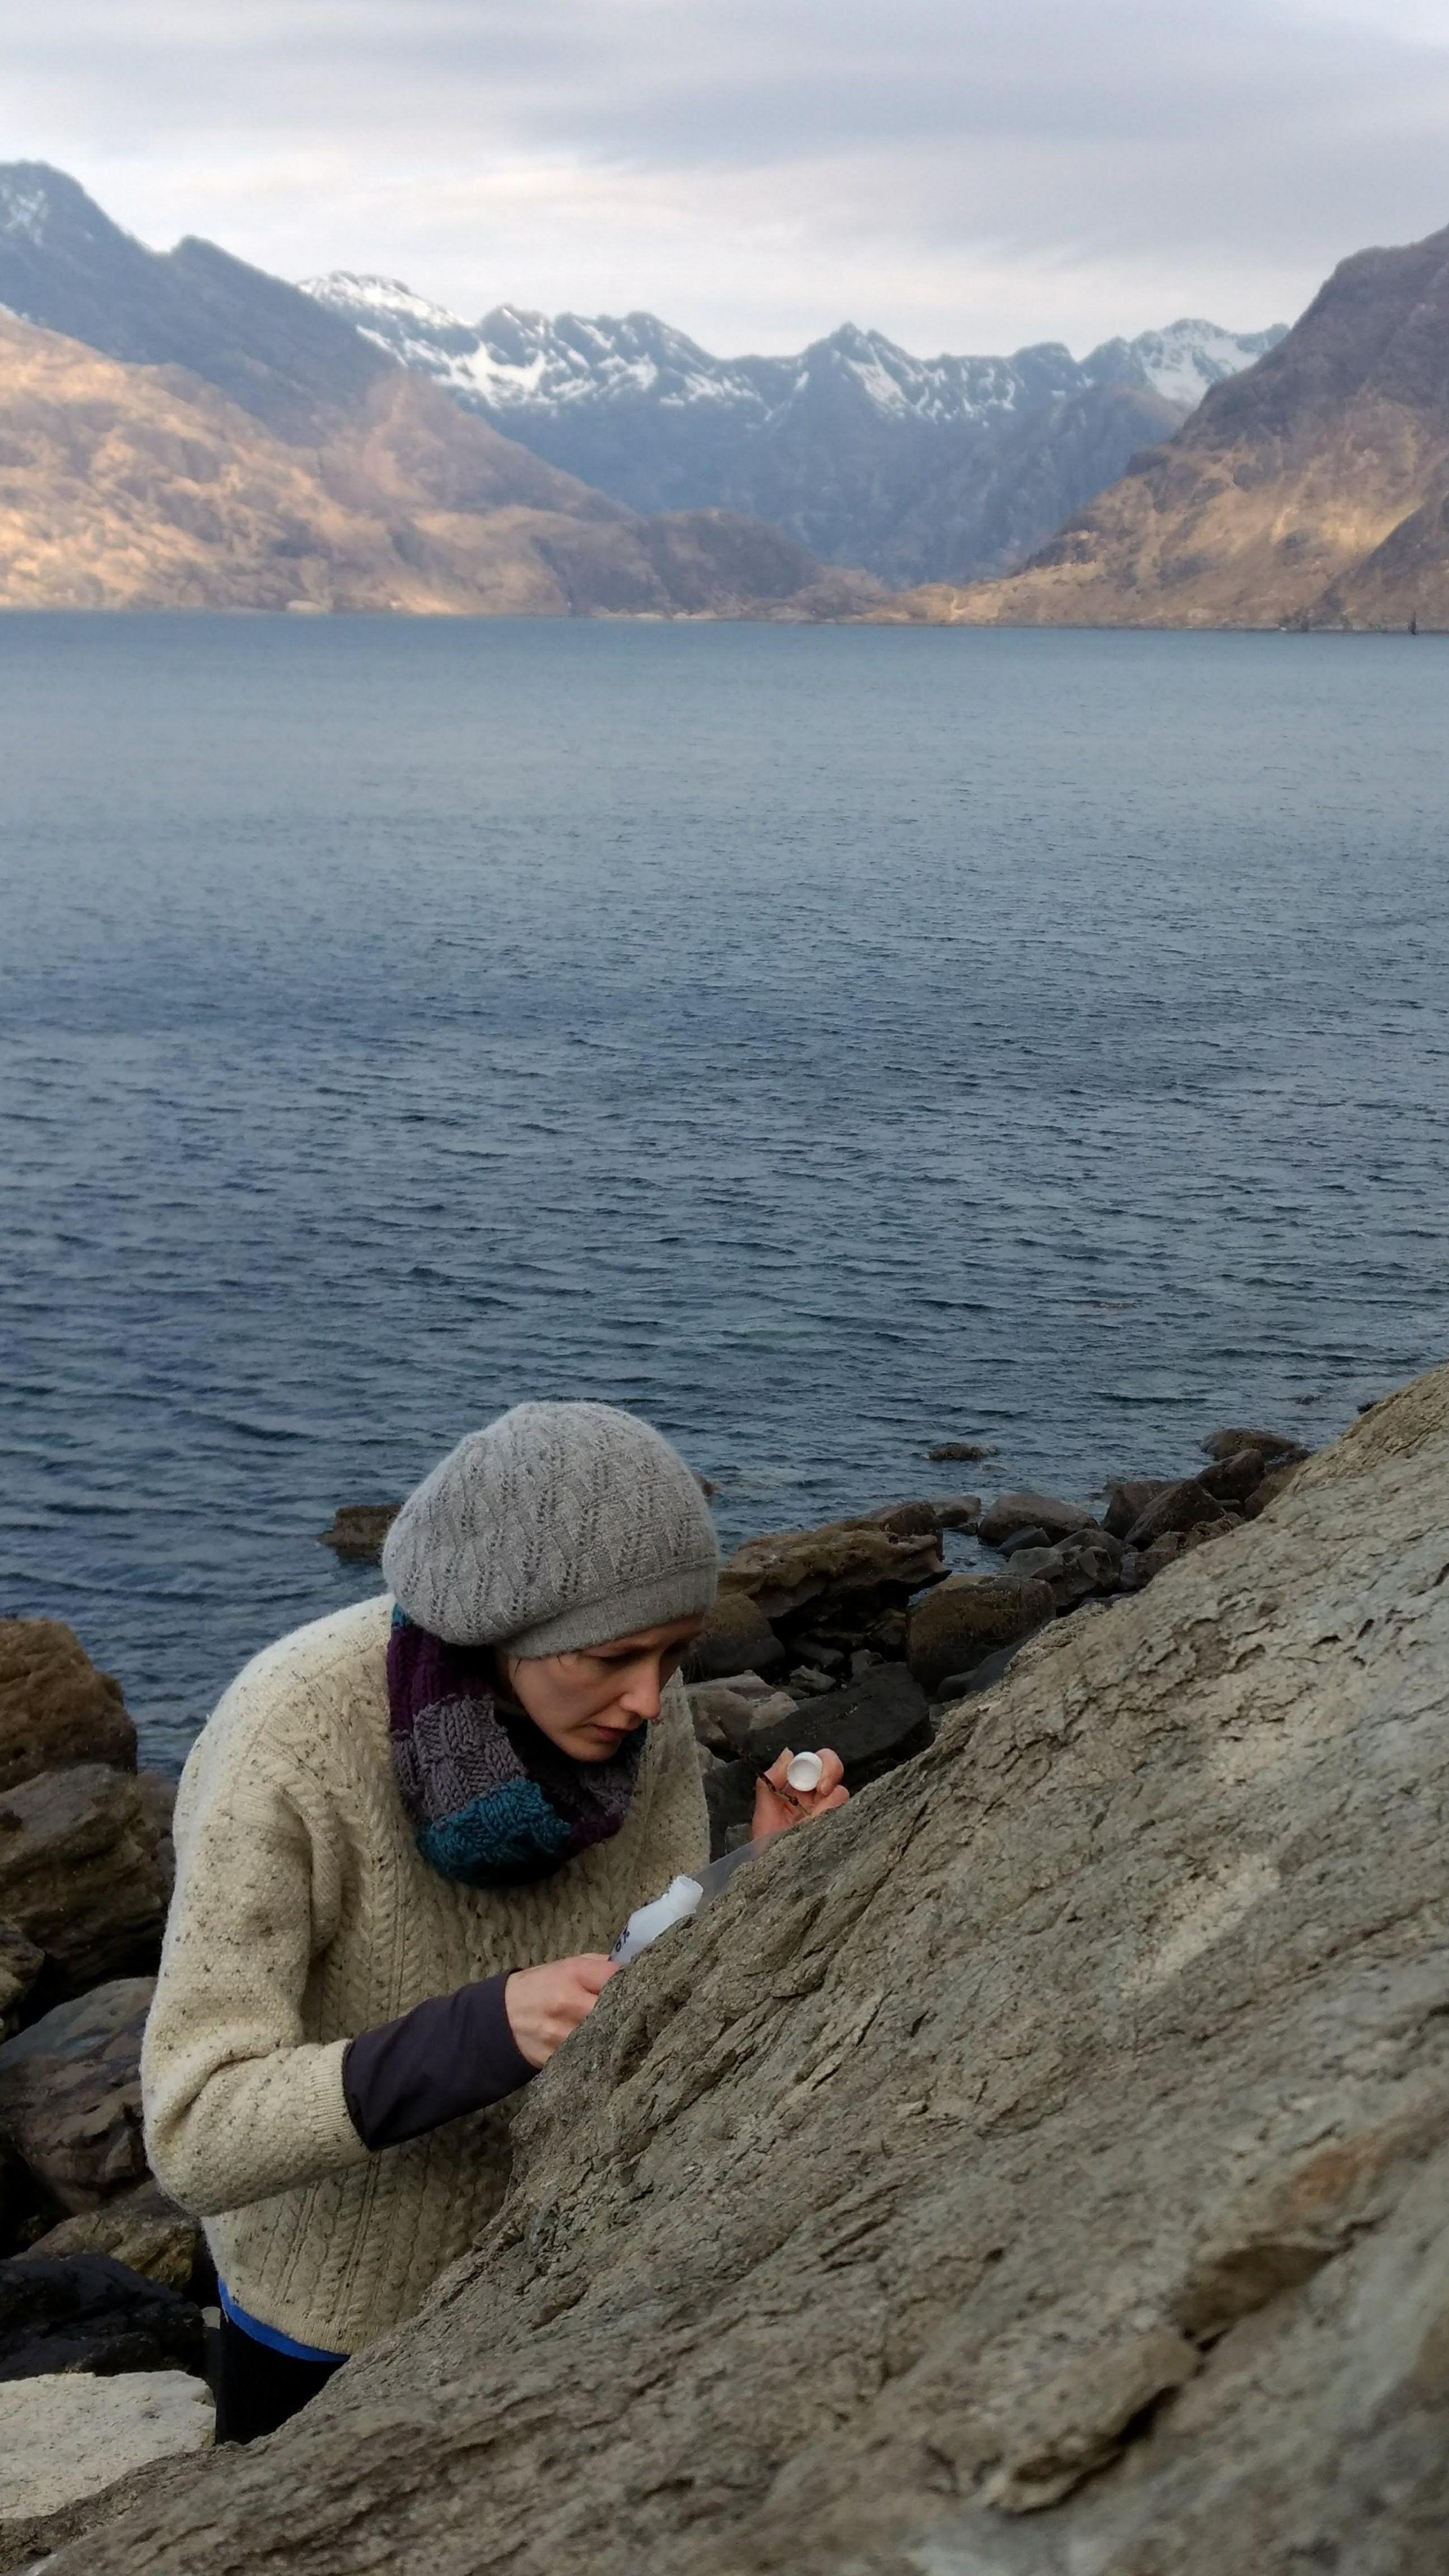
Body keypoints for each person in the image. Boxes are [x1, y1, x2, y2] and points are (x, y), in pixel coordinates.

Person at [142, 1402, 846, 2443]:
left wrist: (763, 1874)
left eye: (674, 1652)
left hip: (561, 2272)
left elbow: (638, 1967)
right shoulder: (287, 1743)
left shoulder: (635, 1702)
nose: (650, 1700)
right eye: (611, 1658)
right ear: (496, 1628)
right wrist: (480, 2036)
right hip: (332, 2324)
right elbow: (194, 2129)